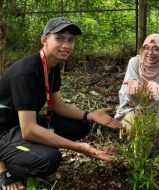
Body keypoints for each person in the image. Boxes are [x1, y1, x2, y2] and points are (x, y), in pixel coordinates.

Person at [0, 17, 123, 190]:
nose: (66, 45)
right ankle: (6, 166)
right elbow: (28, 130)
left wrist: (90, 115)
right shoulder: (26, 72)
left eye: (71, 40)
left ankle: (26, 150)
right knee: (49, 159)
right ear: (44, 40)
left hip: (22, 124)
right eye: (59, 38)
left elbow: (57, 105)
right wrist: (78, 147)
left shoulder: (52, 65)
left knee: (81, 125)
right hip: (5, 131)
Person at [115, 33, 159, 136]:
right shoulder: (135, 62)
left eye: (156, 49)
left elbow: (157, 104)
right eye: (146, 48)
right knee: (131, 128)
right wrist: (146, 86)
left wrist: (154, 90)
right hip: (129, 108)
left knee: (150, 131)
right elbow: (130, 97)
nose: (150, 52)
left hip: (152, 112)